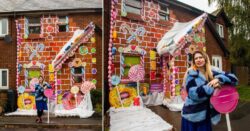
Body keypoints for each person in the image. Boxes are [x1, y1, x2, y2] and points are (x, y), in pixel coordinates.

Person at [181, 50, 238, 131]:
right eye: (196, 58)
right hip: (192, 114)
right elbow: (193, 94)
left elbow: (233, 78)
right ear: (194, 61)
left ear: (205, 58)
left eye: (200, 57)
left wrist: (219, 79)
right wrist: (213, 87)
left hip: (206, 113)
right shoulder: (191, 74)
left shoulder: (213, 71)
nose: (198, 60)